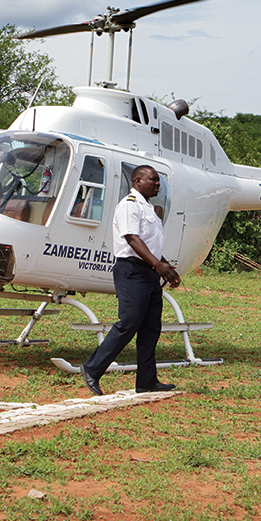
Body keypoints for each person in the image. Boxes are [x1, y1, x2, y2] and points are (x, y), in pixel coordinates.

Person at [79, 165, 180, 396]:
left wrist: (164, 266)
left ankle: (146, 380)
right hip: (132, 270)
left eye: (158, 181)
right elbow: (132, 239)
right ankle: (92, 368)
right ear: (137, 181)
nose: (157, 184)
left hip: (149, 272)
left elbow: (148, 243)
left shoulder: (148, 208)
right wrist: (157, 264)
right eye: (153, 180)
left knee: (151, 327)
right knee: (129, 323)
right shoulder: (129, 205)